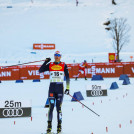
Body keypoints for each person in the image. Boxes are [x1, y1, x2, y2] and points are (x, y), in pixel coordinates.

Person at [39, 51, 70, 134]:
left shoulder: (64, 65)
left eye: (58, 55)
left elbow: (67, 77)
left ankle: (59, 129)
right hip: (52, 88)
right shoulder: (50, 64)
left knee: (58, 108)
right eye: (55, 55)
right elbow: (40, 70)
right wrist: (46, 62)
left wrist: (67, 88)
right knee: (51, 107)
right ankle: (49, 129)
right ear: (54, 56)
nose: (57, 57)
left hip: (60, 88)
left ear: (60, 57)